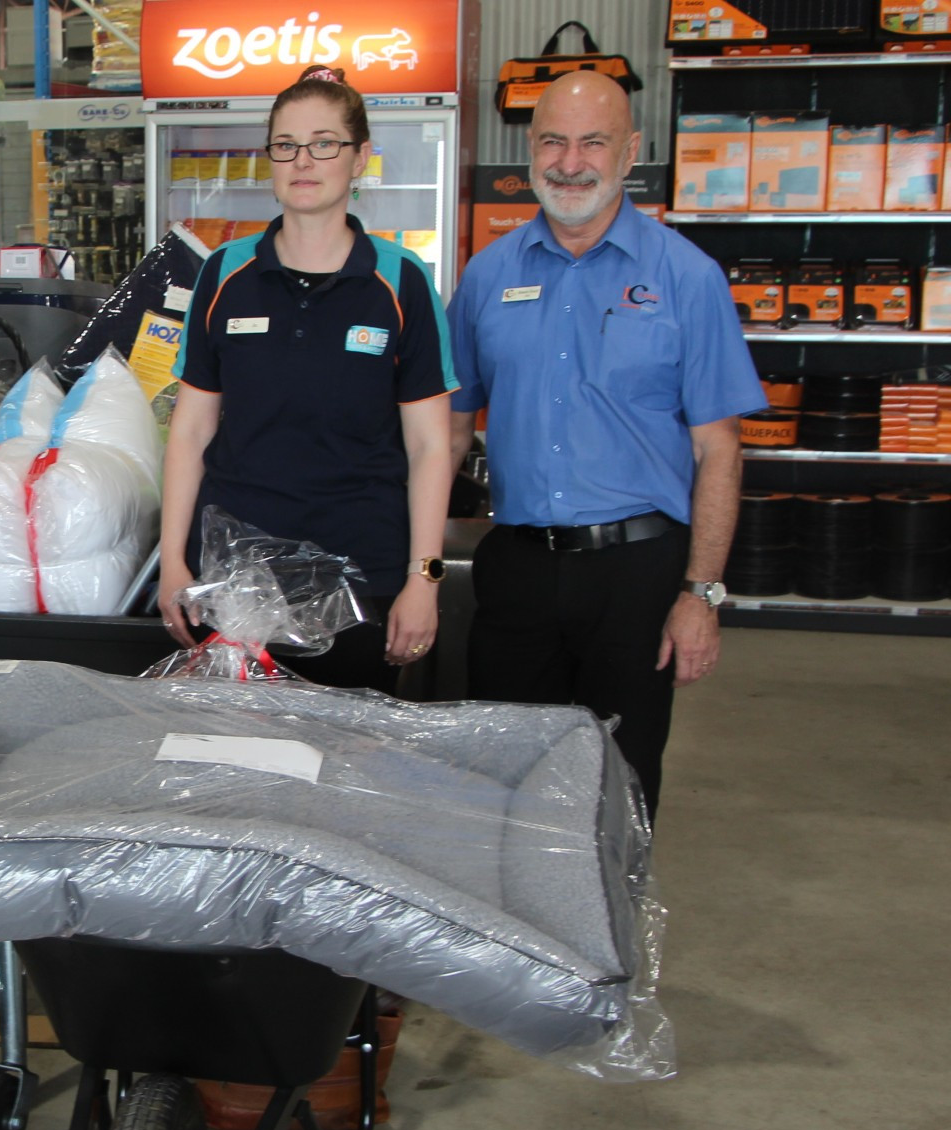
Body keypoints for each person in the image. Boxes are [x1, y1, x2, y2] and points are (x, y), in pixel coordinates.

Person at [446, 71, 765, 821]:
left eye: (594, 141)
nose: (570, 161)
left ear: (631, 154)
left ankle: (609, 933)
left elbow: (720, 450)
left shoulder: (687, 277)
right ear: (530, 151)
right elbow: (449, 433)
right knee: (505, 777)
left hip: (639, 577)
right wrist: (421, 567)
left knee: (621, 786)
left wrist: (701, 595)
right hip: (518, 564)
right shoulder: (489, 275)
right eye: (553, 141)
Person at [160, 65, 456, 692]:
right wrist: (171, 562)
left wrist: (422, 578)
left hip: (361, 575)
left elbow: (430, 446)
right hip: (236, 578)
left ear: (360, 157)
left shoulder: (401, 282)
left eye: (325, 143)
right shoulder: (224, 274)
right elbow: (189, 432)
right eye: (286, 145)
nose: (304, 161)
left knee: (347, 768)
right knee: (234, 764)